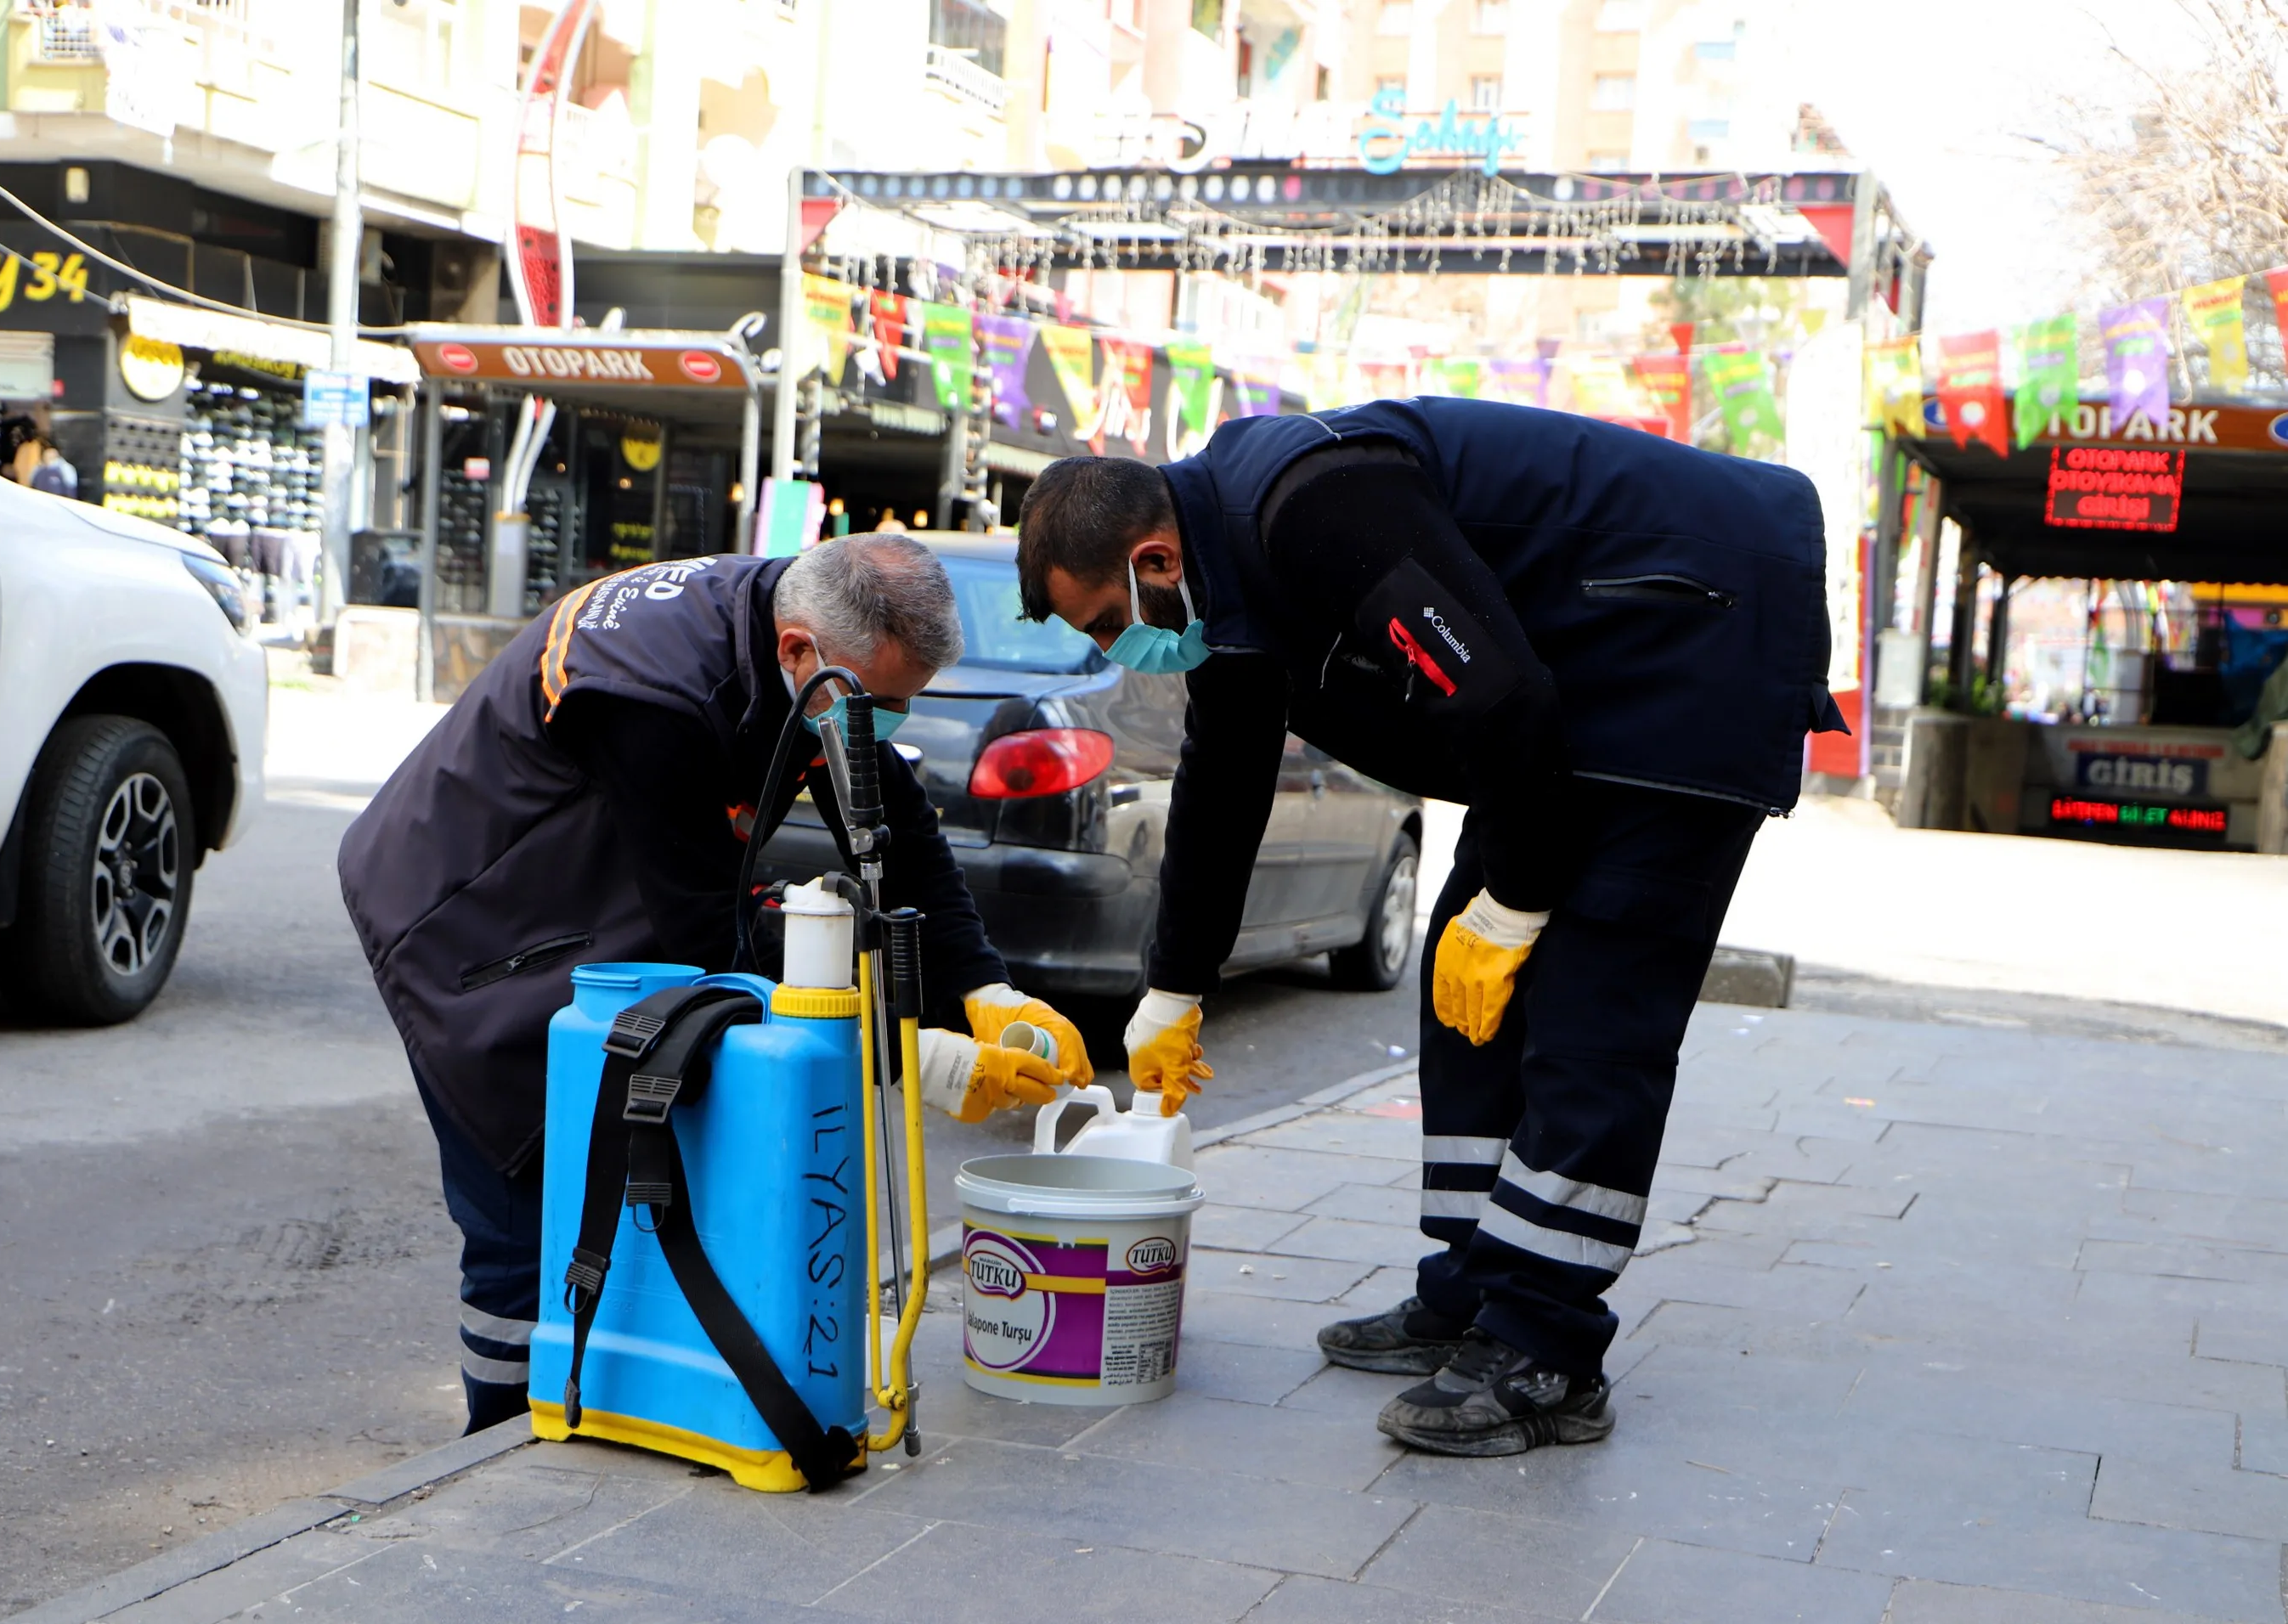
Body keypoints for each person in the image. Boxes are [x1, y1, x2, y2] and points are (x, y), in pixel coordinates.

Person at [1014, 398, 1839, 1458]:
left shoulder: (1316, 507)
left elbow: (1496, 699)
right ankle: (1476, 1283)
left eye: (1100, 619)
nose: (1107, 643)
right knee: (1461, 977)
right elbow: (1224, 779)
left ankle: (1547, 1346)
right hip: (1562, 707)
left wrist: (1519, 900)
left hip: (1689, 648)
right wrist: (1173, 987)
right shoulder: (1222, 580)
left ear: (1154, 556)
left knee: (1593, 1010)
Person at [337, 536, 1094, 1433]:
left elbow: (892, 816)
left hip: (590, 888)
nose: (890, 722)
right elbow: (710, 935)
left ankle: (601, 1398)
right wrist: (914, 1058)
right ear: (799, 651)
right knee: (527, 1181)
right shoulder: (654, 696)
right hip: (464, 918)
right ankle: (496, 1445)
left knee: (624, 1157)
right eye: (882, 701)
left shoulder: (803, 650)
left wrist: (985, 989)